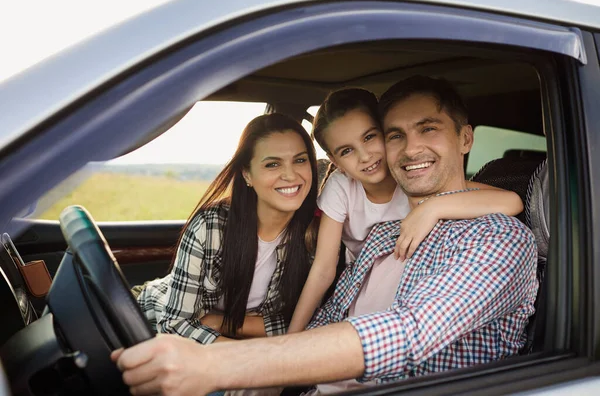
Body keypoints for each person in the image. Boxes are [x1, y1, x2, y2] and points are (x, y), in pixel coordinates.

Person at [112, 76, 539, 396]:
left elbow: (408, 332)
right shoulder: (381, 236)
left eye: (428, 129)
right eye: (395, 136)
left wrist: (220, 363)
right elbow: (325, 313)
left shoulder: (495, 239)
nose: (409, 150)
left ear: (465, 138)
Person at [287, 88, 523, 333]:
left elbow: (510, 201)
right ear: (334, 161)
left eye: (369, 137)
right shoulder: (342, 187)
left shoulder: (413, 179)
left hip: (408, 274)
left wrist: (433, 207)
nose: (365, 156)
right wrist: (292, 338)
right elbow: (324, 269)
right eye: (347, 151)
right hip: (360, 279)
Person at [135, 113, 318, 346]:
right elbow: (175, 325)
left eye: (300, 160)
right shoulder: (210, 226)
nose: (291, 175)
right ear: (247, 174)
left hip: (223, 336)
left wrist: (222, 323)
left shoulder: (315, 233)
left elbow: (309, 322)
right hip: (147, 321)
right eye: (273, 164)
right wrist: (249, 355)